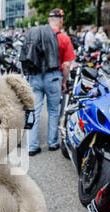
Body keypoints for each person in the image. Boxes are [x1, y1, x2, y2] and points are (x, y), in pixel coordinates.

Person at [26, 8, 75, 156]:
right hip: (54, 77)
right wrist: (64, 81)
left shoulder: (36, 34)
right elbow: (67, 65)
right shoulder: (64, 38)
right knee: (53, 111)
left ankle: (32, 146)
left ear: (48, 20)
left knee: (34, 111)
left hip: (35, 77)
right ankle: (53, 143)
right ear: (60, 20)